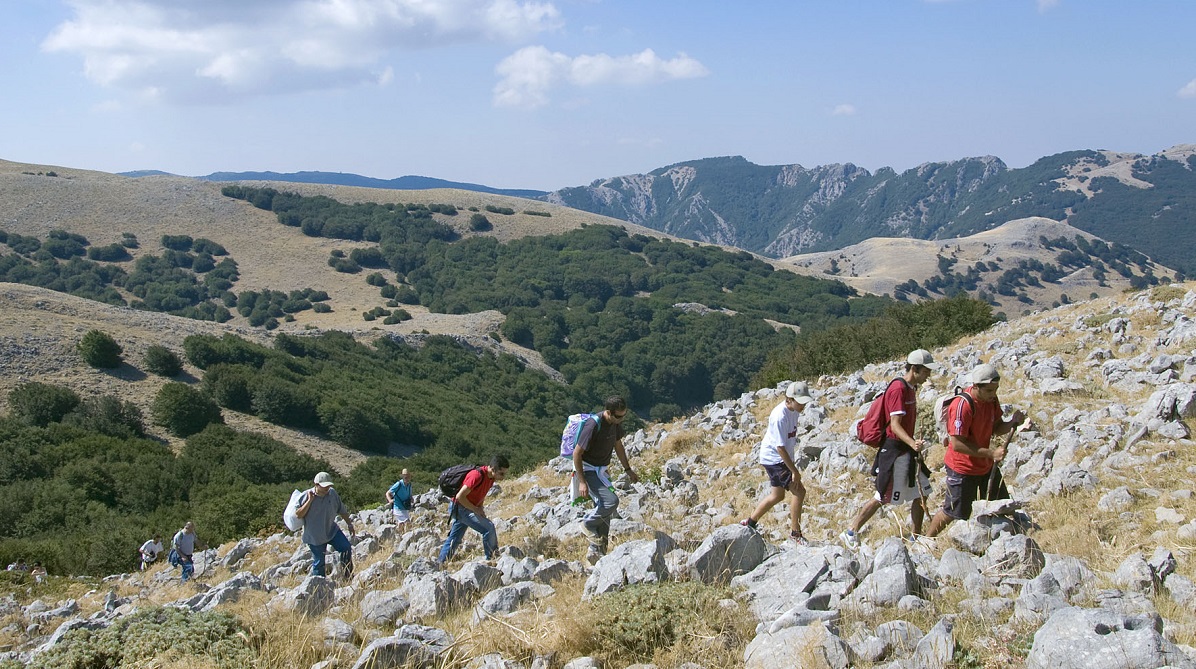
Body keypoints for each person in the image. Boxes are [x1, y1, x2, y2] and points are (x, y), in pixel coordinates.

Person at [840, 350, 940, 549]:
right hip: (896, 451)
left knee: (922, 492)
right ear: (914, 369)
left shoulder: (910, 388)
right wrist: (912, 443)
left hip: (908, 451)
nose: (929, 374)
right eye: (926, 371)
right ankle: (851, 531)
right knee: (882, 496)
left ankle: (915, 536)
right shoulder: (898, 390)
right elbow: (895, 425)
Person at [924, 363, 1026, 538]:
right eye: (989, 391)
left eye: (995, 390)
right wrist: (991, 453)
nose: (993, 395)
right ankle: (926, 541)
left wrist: (1012, 423)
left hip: (984, 466)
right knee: (953, 512)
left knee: (1003, 505)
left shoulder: (991, 401)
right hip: (962, 468)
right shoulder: (962, 406)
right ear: (976, 386)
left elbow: (996, 427)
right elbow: (956, 444)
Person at [739, 381, 815, 545]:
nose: (803, 405)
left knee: (777, 495)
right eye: (800, 401)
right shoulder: (780, 416)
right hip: (775, 459)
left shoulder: (794, 409)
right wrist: (794, 471)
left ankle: (750, 522)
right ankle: (796, 534)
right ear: (790, 399)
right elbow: (780, 448)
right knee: (799, 492)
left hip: (776, 458)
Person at [573, 396, 639, 564]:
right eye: (618, 416)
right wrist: (582, 482)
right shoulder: (593, 425)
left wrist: (628, 470)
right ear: (608, 412)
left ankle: (598, 552)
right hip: (588, 470)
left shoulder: (614, 424)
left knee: (605, 512)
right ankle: (587, 524)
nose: (621, 419)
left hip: (601, 471)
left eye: (624, 415)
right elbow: (577, 454)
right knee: (611, 502)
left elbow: (618, 446)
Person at [436, 455, 509, 566]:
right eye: (501, 473)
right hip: (460, 508)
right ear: (493, 469)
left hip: (465, 507)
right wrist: (475, 509)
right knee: (488, 528)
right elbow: (460, 496)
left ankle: (441, 563)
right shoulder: (476, 475)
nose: (503, 477)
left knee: (455, 537)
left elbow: (481, 493)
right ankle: (493, 559)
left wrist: (480, 508)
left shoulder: (490, 478)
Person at [295, 471, 357, 579]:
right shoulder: (306, 495)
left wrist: (350, 524)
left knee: (346, 548)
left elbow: (342, 510)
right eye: (324, 486)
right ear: (316, 484)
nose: (326, 488)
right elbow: (298, 514)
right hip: (315, 536)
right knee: (319, 563)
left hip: (331, 530)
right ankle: (319, 587)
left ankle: (348, 576)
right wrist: (310, 500)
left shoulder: (332, 493)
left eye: (328, 486)